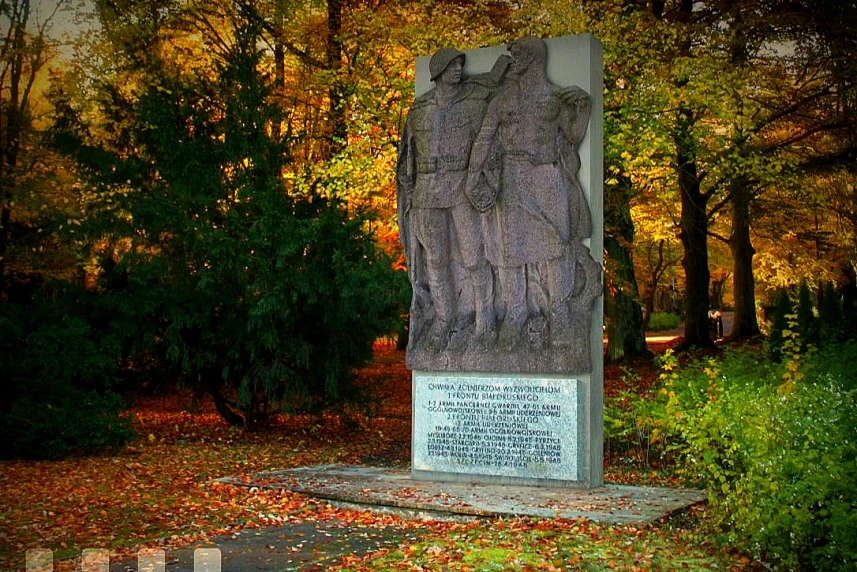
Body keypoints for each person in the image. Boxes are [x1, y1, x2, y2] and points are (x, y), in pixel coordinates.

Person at [466, 36, 592, 350]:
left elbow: (573, 136)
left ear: (533, 58)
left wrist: (585, 109)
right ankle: (516, 314)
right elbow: (483, 140)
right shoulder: (503, 100)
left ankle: (559, 314)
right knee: (509, 251)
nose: (513, 59)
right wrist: (471, 178)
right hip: (511, 177)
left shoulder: (554, 99)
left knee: (556, 246)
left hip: (547, 177)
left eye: (518, 54)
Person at [397, 48, 508, 354]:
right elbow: (407, 158)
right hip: (426, 193)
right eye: (451, 66)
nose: (458, 70)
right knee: (435, 259)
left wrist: (485, 184)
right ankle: (445, 320)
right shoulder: (418, 111)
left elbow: (489, 148)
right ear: (438, 72)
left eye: (460, 65)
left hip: (462, 188)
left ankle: (485, 319)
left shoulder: (473, 107)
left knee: (473, 255)